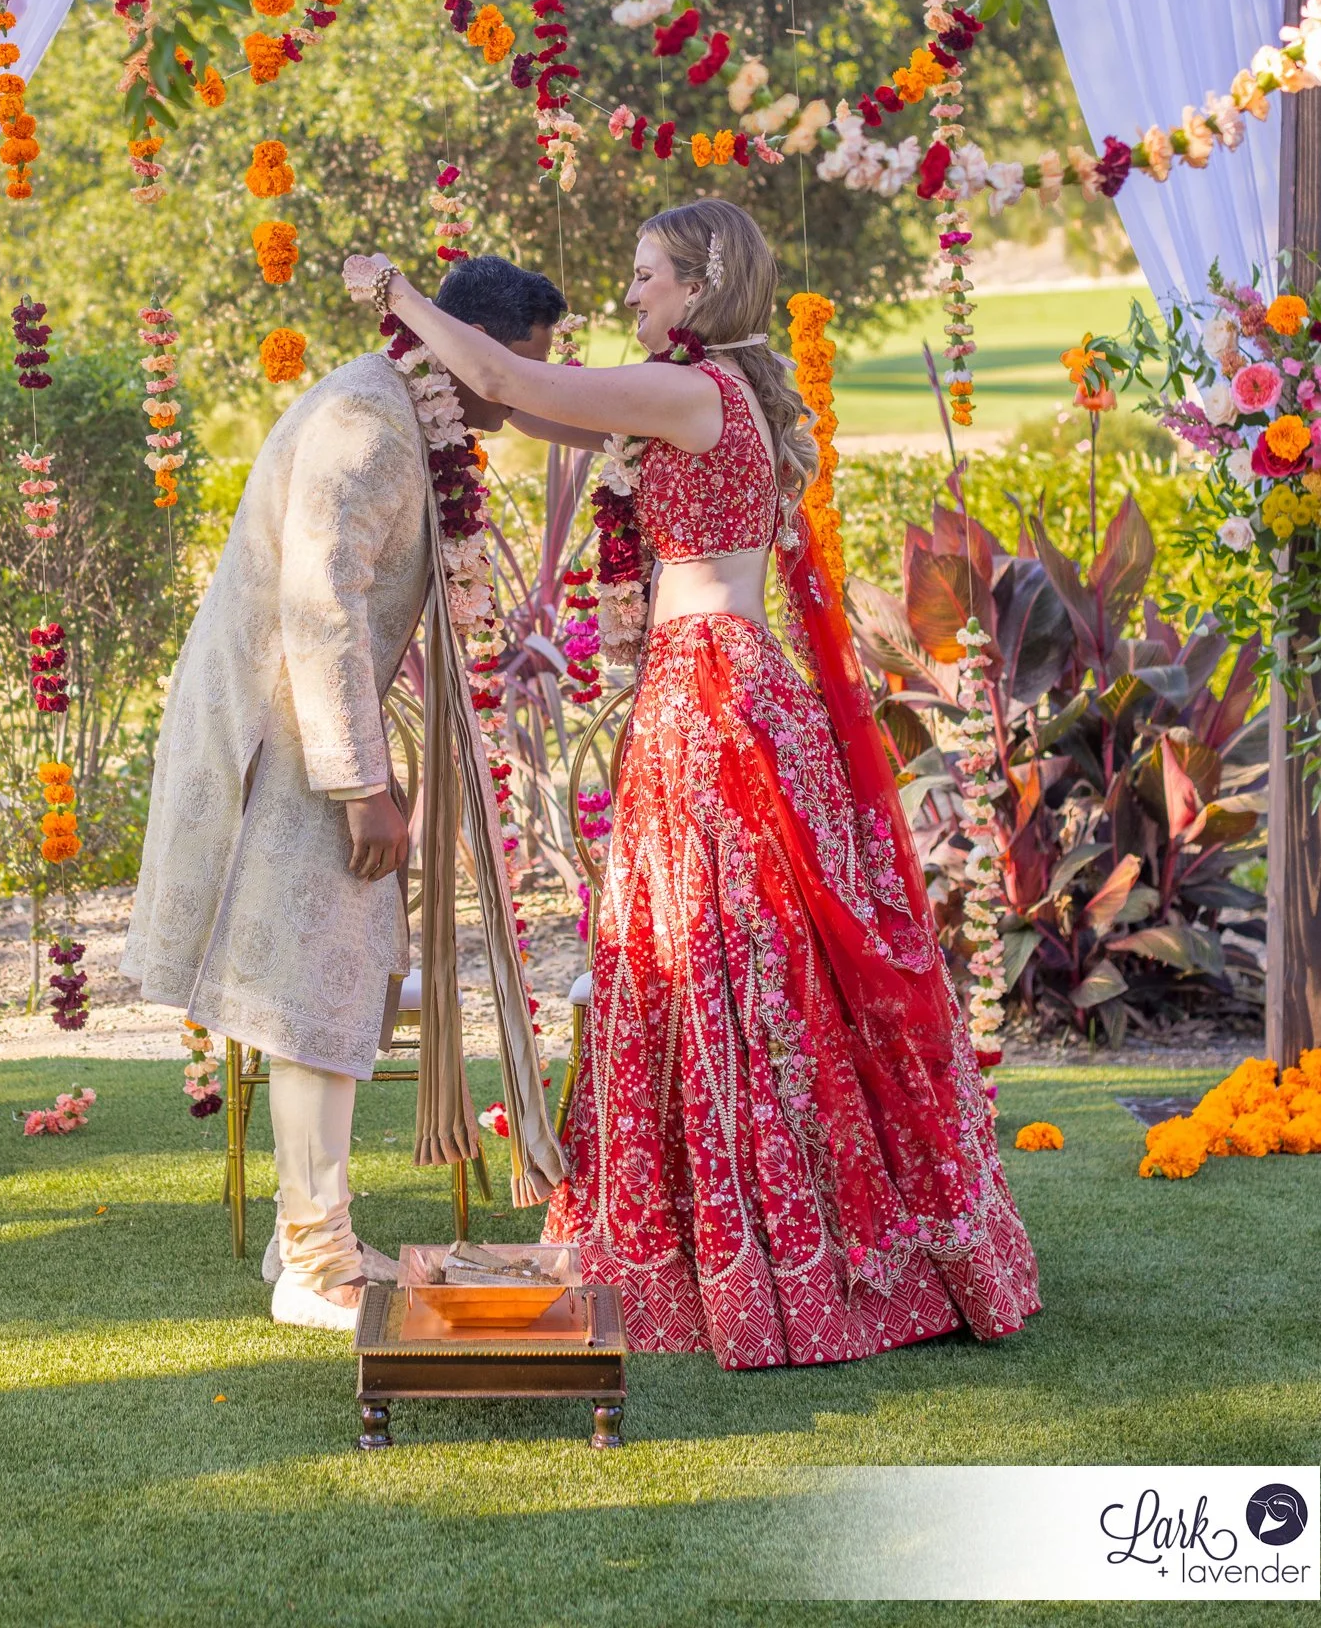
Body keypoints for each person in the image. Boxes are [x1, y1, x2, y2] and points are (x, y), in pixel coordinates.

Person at [350, 199, 1039, 1370]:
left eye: (645, 273)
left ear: (699, 286)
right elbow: (520, 402)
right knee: (737, 962)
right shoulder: (708, 395)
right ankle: (789, 1238)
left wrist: (396, 294)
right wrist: (446, 375)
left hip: (709, 694)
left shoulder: (692, 392)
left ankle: (769, 1254)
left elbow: (510, 378)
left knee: (718, 959)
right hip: (717, 684)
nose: (629, 293)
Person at [122, 254, 565, 1331]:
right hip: (282, 736)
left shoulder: (399, 409)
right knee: (312, 987)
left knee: (331, 974)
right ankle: (315, 1265)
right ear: (474, 348)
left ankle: (306, 1231)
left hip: (302, 731)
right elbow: (321, 606)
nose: (521, 389)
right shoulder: (367, 424)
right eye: (522, 364)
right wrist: (362, 784)